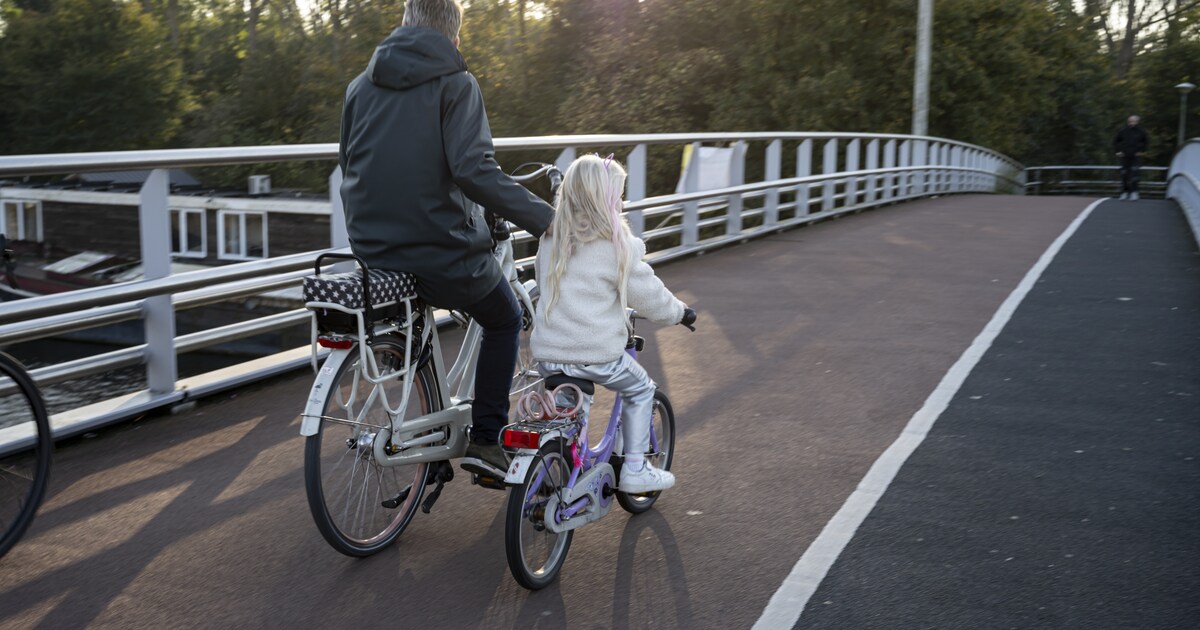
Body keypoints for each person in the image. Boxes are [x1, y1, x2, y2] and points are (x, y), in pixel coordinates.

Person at [338, 0, 554, 477]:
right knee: (505, 317)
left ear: (405, 25)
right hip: (441, 253)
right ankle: (486, 441)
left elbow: (348, 162)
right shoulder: (457, 84)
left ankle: (432, 442)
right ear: (454, 38)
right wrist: (547, 220)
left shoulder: (359, 87)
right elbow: (474, 170)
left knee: (421, 323)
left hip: (372, 250)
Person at [531, 154, 693, 493]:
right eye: (617, 194)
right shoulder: (617, 244)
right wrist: (679, 312)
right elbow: (648, 294)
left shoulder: (550, 238)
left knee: (569, 410)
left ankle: (556, 472)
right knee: (640, 389)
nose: (620, 202)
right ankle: (635, 467)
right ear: (603, 197)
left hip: (548, 352)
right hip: (594, 354)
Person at [1113, 114, 1149, 201]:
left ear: (1137, 121)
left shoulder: (1141, 131)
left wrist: (1142, 151)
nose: (1131, 123)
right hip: (1125, 155)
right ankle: (1124, 193)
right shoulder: (1123, 131)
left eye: (1133, 121)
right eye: (1130, 121)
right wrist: (1118, 152)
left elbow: (1146, 142)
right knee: (1124, 174)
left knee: (1135, 174)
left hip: (1135, 156)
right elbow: (1116, 141)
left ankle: (1134, 192)